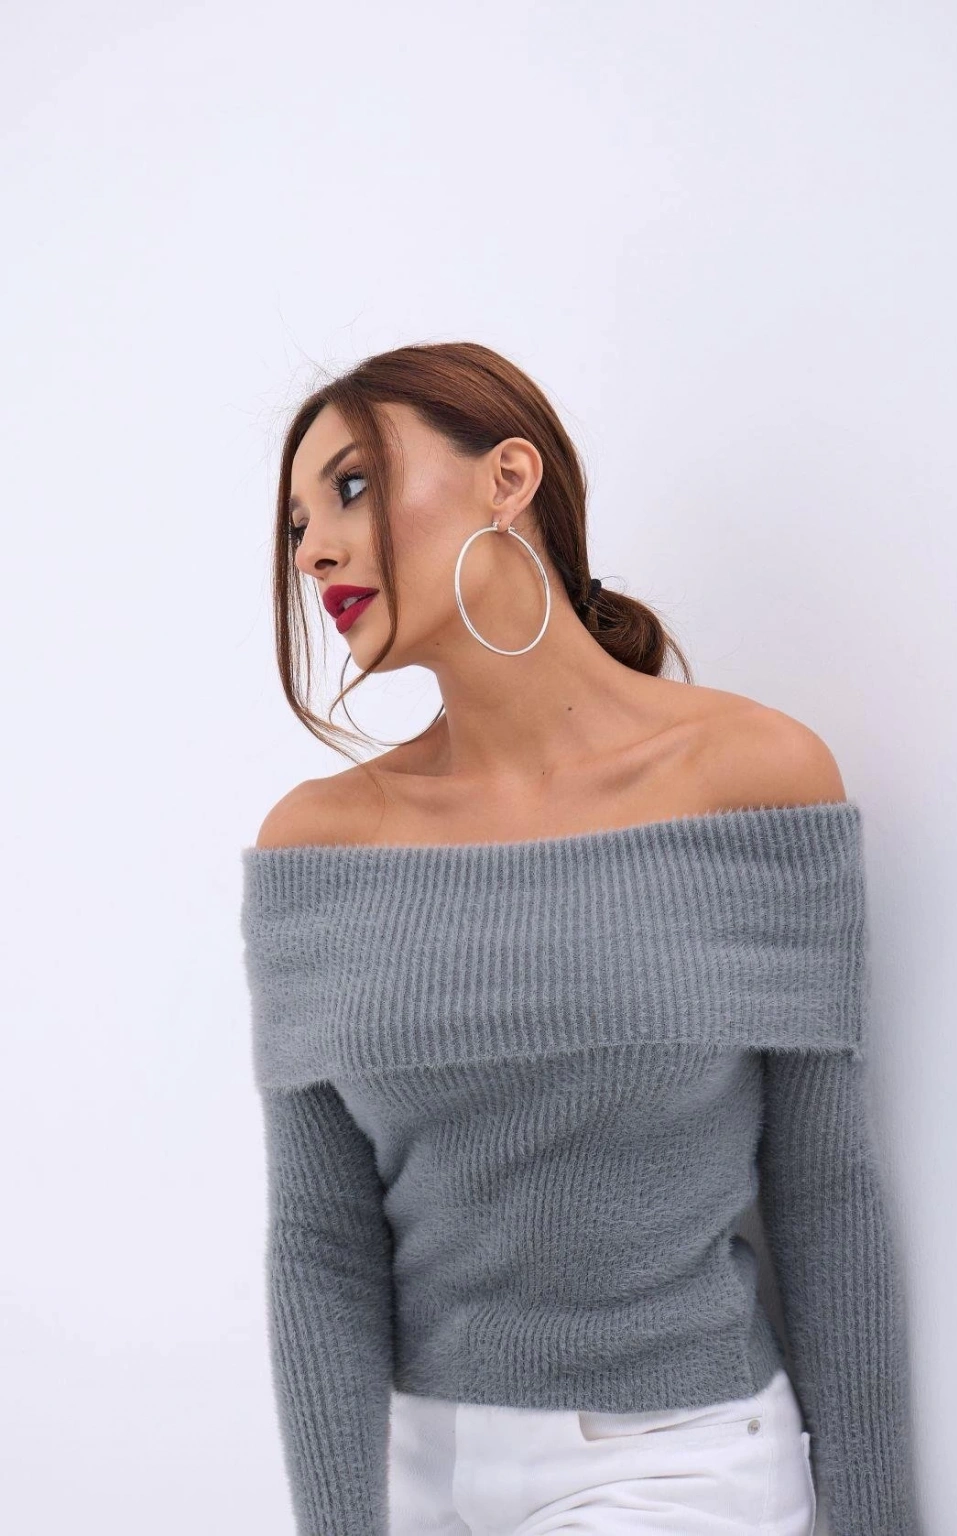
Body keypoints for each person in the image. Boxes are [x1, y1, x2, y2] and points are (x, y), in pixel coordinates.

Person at [240, 341, 922, 1535]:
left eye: (351, 487)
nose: (313, 552)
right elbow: (320, 1242)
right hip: (413, 1470)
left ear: (508, 479)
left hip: (672, 1463)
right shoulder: (315, 846)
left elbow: (822, 1191)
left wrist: (878, 1520)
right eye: (296, 526)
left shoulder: (752, 779)